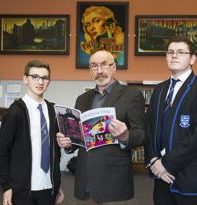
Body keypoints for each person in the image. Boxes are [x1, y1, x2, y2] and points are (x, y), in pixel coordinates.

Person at [57, 50, 145, 204]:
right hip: (85, 183)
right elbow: (79, 136)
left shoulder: (132, 95)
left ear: (114, 68)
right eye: (94, 66)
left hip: (114, 184)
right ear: (90, 71)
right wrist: (68, 144)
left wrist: (125, 135)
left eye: (104, 65)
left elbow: (141, 133)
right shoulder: (82, 99)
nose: (99, 71)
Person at [144, 36, 197, 205]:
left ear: (192, 59)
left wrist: (166, 164)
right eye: (170, 52)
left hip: (189, 177)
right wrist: (154, 161)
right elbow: (148, 128)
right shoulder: (159, 90)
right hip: (160, 177)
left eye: (181, 52)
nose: (174, 56)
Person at [0, 60, 64, 205]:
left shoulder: (53, 111)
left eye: (45, 78)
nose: (40, 82)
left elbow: (55, 151)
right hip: (22, 189)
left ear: (49, 81)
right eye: (35, 77)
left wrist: (56, 183)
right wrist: (6, 186)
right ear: (25, 79)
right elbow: (2, 152)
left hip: (48, 187)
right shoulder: (15, 112)